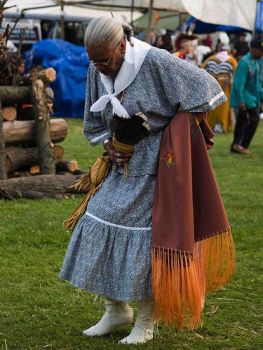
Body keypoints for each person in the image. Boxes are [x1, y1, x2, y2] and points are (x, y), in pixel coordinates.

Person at [60, 17, 235, 345]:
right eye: (94, 61)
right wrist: (109, 145)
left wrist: (173, 134)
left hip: (158, 168)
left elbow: (208, 89)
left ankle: (146, 321)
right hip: (120, 165)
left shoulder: (154, 60)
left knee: (146, 242)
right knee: (98, 221)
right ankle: (116, 310)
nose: (100, 68)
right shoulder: (95, 69)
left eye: (105, 60)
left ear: (122, 46)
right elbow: (94, 119)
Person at [230, 38, 263, 154]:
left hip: (253, 97)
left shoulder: (255, 61)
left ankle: (237, 145)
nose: (262, 53)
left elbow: (257, 83)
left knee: (243, 121)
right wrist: (241, 101)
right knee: (250, 120)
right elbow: (239, 84)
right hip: (244, 97)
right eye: (261, 50)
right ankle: (239, 145)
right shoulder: (244, 62)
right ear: (253, 49)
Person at [202, 44, 237, 132]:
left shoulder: (210, 59)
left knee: (211, 103)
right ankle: (223, 126)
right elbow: (236, 71)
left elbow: (202, 68)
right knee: (224, 105)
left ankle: (210, 125)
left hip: (211, 83)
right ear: (228, 51)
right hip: (224, 84)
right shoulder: (231, 59)